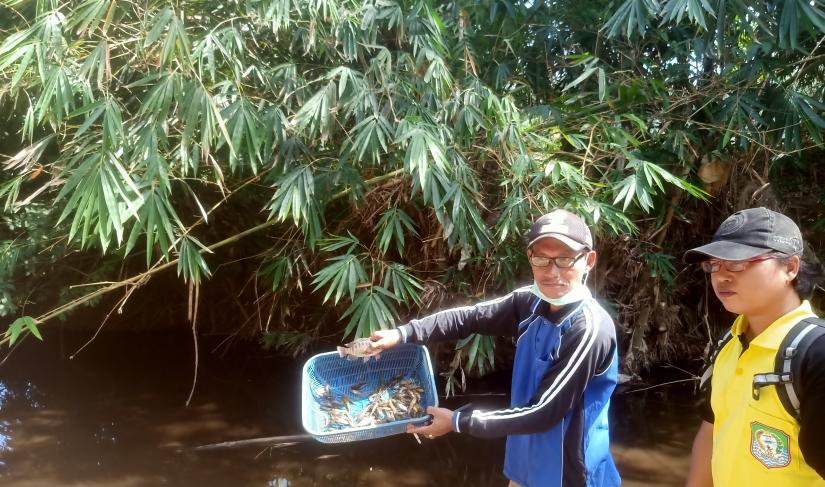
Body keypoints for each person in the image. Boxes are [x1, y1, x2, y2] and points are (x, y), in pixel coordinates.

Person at [370, 209, 622, 487]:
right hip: (524, 467)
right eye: (541, 258)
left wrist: (458, 422)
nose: (552, 272)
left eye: (564, 259)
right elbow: (468, 318)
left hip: (569, 476)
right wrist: (402, 333)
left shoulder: (589, 329)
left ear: (588, 260)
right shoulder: (530, 303)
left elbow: (543, 412)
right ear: (530, 258)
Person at [683, 207, 825, 486]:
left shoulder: (815, 355)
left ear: (790, 267)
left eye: (737, 263)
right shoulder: (730, 342)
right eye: (713, 264)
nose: (720, 276)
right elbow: (713, 428)